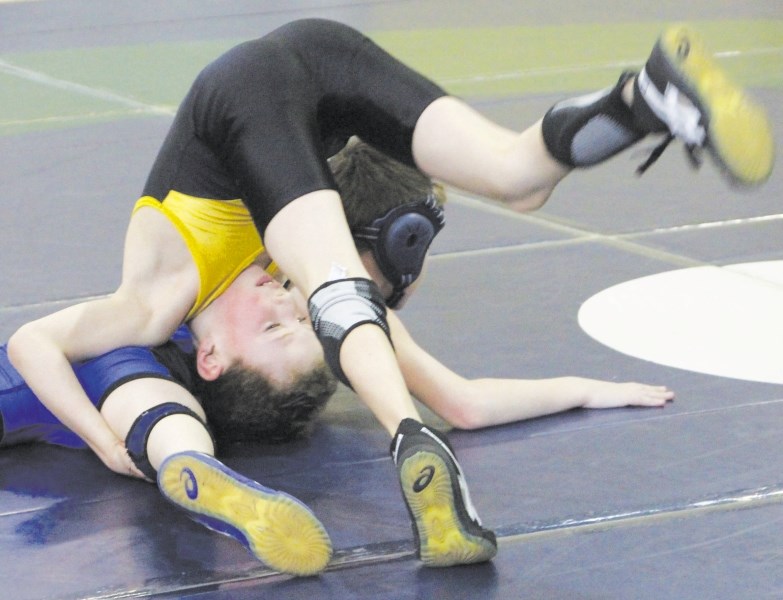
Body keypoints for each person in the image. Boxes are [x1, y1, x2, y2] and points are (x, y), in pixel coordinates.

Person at [6, 18, 772, 574]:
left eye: (276, 326)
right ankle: (642, 100)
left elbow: (30, 342)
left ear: (209, 353)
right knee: (516, 177)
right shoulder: (278, 275)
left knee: (343, 294)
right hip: (322, 52)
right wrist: (591, 388)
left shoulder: (156, 299)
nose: (285, 304)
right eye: (294, 322)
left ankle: (411, 442)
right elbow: (466, 399)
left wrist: (109, 446)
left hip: (247, 92)